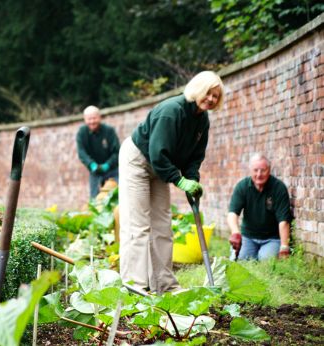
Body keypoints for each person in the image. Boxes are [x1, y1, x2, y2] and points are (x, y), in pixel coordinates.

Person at [118, 71, 224, 295]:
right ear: (198, 89)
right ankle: (134, 286)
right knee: (138, 226)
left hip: (161, 167)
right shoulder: (171, 112)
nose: (211, 99)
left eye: (216, 96)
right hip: (138, 160)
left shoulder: (201, 120)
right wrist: (179, 181)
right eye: (208, 93)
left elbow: (195, 156)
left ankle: (164, 285)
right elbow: (158, 153)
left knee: (162, 225)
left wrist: (192, 180)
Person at [227, 153, 293, 261]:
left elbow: (283, 221)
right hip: (248, 237)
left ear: (269, 170)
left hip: (272, 238)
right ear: (250, 170)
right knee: (243, 260)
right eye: (255, 170)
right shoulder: (242, 187)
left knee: (266, 260)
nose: (259, 174)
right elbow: (232, 214)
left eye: (263, 170)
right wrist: (235, 233)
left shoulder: (279, 188)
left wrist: (284, 246)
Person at [76, 105, 120, 198]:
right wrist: (91, 164)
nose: (92, 121)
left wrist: (108, 164)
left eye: (94, 118)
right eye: (89, 119)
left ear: (99, 117)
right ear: (85, 119)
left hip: (112, 170)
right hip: (95, 171)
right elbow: (81, 152)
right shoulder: (82, 133)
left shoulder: (109, 131)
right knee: (94, 199)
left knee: (117, 195)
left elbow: (117, 151)